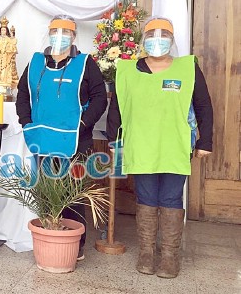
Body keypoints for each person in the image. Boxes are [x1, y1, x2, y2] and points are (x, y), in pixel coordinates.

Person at [107, 17, 213, 279]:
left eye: (164, 34)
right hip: (141, 145)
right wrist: (113, 142)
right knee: (146, 198)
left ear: (172, 40)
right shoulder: (128, 70)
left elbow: (203, 106)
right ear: (143, 40)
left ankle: (169, 257)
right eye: (152, 35)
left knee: (170, 199)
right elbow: (117, 109)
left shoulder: (187, 68)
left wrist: (205, 141)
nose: (158, 40)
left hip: (175, 145)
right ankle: (146, 253)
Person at [16, 15, 108, 260]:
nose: (60, 35)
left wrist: (84, 123)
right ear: (49, 34)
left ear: (74, 36)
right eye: (55, 31)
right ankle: (49, 239)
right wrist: (26, 122)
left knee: (73, 195)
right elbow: (22, 94)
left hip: (76, 141)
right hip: (42, 139)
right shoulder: (36, 62)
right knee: (46, 192)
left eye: (66, 32)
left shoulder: (85, 63)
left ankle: (74, 245)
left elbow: (100, 97)